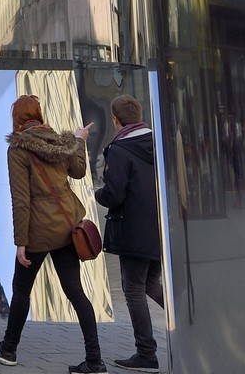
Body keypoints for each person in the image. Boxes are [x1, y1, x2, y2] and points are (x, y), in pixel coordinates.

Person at [0, 94, 104, 373]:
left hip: (37, 232)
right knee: (76, 292)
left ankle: (9, 349)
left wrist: (20, 243)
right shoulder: (60, 141)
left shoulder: (17, 150)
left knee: (21, 289)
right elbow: (80, 172)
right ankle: (95, 360)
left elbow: (21, 200)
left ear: (17, 119)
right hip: (66, 229)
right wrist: (79, 140)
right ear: (39, 114)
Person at [94, 95, 164, 372]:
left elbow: (114, 194)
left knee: (133, 288)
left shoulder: (120, 149)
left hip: (133, 230)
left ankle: (146, 353)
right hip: (160, 228)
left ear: (115, 119)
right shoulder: (159, 142)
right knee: (149, 284)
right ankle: (188, 319)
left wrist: (99, 194)